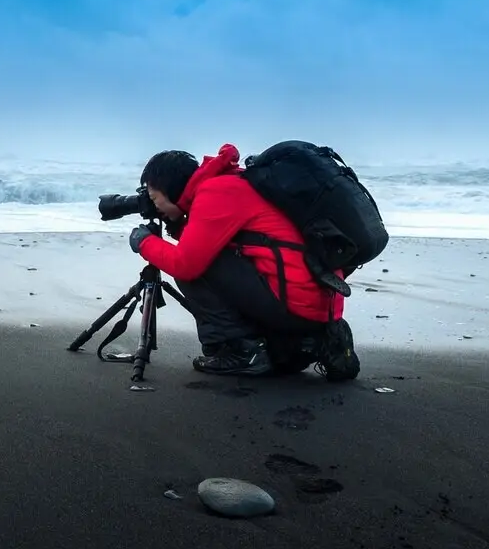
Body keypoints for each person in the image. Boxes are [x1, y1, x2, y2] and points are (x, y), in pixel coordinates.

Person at [127, 143, 360, 380]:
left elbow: (185, 263)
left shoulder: (215, 192)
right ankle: (309, 341)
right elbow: (222, 238)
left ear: (172, 190)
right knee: (205, 257)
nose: (155, 206)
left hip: (298, 302)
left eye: (155, 199)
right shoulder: (233, 182)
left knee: (193, 269)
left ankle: (243, 352)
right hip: (319, 301)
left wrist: (143, 242)